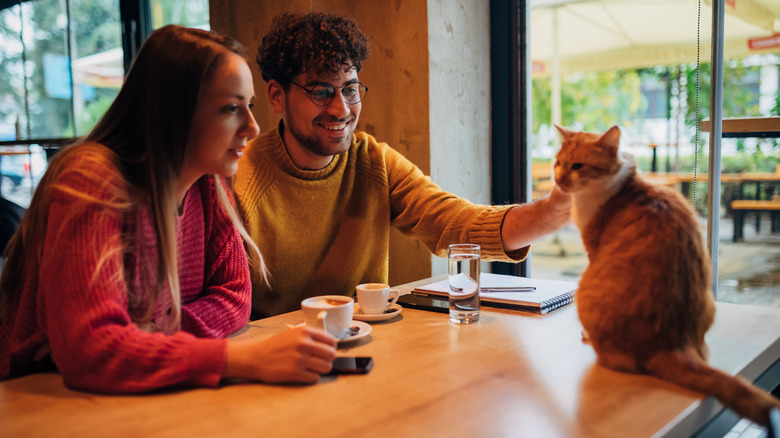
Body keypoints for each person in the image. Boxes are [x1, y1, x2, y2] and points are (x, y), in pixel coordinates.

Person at [0, 25, 336, 393]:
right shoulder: (91, 180)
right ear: (172, 112)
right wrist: (247, 359)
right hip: (33, 398)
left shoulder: (209, 182)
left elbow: (236, 297)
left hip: (129, 392)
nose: (252, 127)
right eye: (230, 108)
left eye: (249, 106)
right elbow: (91, 351)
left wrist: (141, 337)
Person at [235, 12, 572, 318]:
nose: (341, 109)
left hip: (364, 351)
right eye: (321, 91)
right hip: (278, 363)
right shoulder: (238, 180)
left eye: (350, 89)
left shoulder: (373, 161)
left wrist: (551, 212)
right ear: (276, 96)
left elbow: (453, 223)